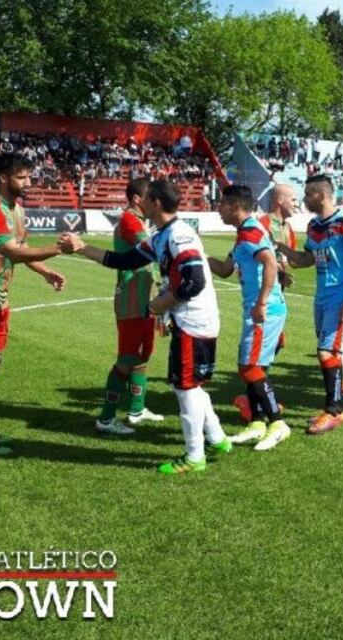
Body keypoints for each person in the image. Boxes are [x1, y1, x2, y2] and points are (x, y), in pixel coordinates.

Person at [62, 179, 230, 474]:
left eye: (148, 199)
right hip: (189, 319)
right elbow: (123, 260)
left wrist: (158, 305)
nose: (143, 203)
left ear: (156, 204)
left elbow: (195, 281)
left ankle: (194, 456)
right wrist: (82, 247)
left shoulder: (178, 235)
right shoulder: (162, 235)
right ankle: (216, 438)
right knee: (191, 384)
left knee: (185, 387)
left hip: (194, 320)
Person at [0, 152, 68, 456]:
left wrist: (46, 272)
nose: (28, 182)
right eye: (22, 177)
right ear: (4, 178)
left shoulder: (17, 209)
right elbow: (14, 253)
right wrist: (60, 249)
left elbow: (20, 249)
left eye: (29, 176)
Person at [275, 175, 343, 434]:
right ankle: (332, 406)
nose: (304, 199)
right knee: (326, 353)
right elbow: (307, 259)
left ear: (322, 196)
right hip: (322, 296)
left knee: (329, 352)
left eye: (308, 194)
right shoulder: (315, 225)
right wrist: (282, 249)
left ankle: (335, 411)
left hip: (340, 296)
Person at [208, 185, 291, 451]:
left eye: (222, 204)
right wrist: (198, 253)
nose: (218, 209)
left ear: (235, 207)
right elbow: (223, 269)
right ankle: (257, 423)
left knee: (250, 367)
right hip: (259, 309)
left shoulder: (251, 232)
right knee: (254, 367)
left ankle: (277, 423)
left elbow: (269, 263)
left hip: (264, 310)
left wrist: (262, 302)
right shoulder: (244, 232)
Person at [94, 178, 165, 435]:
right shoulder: (129, 220)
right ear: (137, 199)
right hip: (131, 298)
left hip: (145, 298)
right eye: (150, 197)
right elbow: (154, 249)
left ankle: (136, 410)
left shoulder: (139, 221)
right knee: (127, 357)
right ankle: (106, 418)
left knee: (142, 356)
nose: (154, 202)